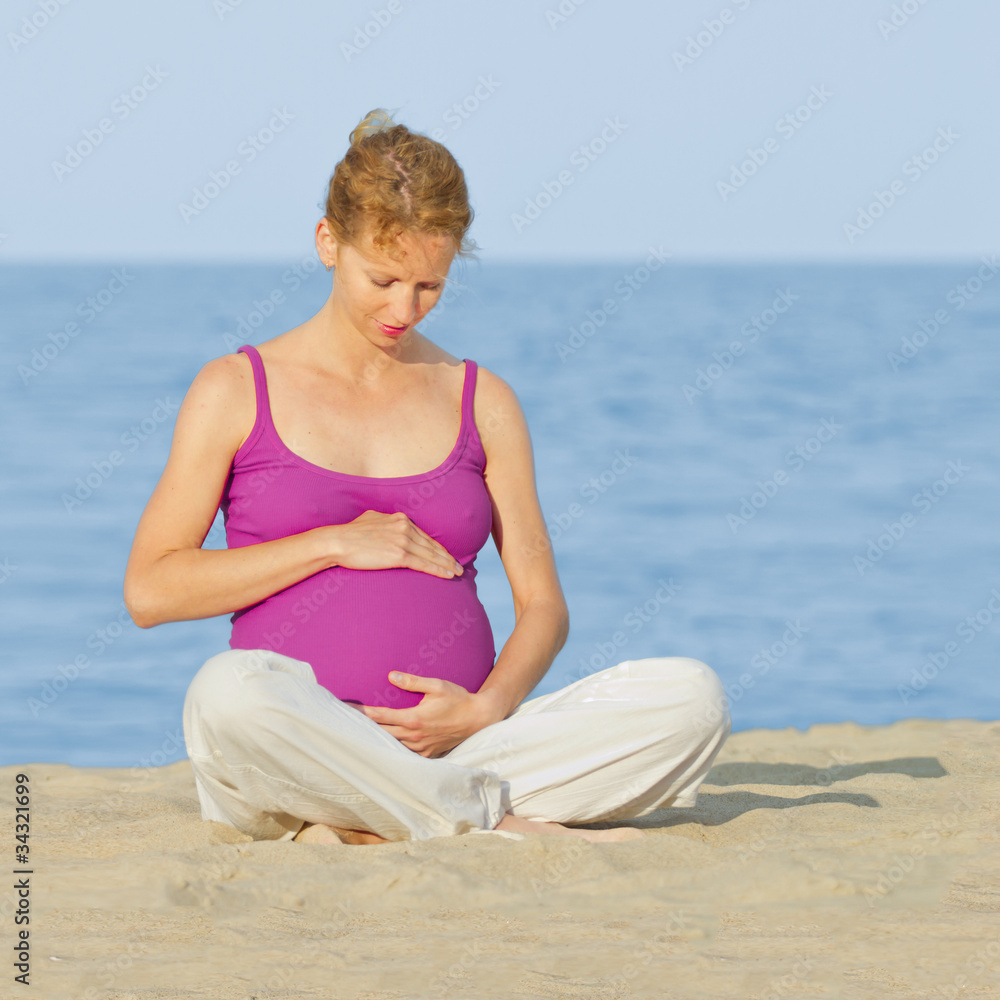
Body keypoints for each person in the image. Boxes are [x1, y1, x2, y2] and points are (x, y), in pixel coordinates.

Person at [123, 108, 731, 847]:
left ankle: (390, 817)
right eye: (382, 279)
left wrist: (486, 709)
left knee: (693, 699)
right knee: (225, 697)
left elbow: (544, 605)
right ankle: (485, 819)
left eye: (429, 286)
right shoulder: (234, 390)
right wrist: (331, 544)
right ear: (328, 242)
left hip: (465, 745)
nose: (402, 309)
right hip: (303, 744)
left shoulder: (484, 400)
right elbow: (151, 590)